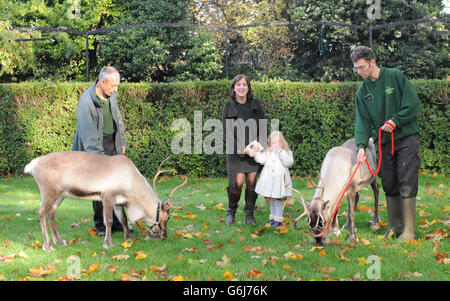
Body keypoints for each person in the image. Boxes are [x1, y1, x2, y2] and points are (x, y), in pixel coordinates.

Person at [351, 46, 420, 241]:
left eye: (362, 67)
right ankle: (395, 226)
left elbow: (412, 103)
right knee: (388, 181)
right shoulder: (363, 92)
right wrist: (361, 146)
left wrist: (395, 120)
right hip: (384, 143)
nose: (359, 72)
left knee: (406, 180)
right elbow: (362, 121)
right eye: (356, 68)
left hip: (406, 138)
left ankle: (408, 231)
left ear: (372, 62)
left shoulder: (394, 76)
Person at [72, 66, 130, 236]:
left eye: (117, 85)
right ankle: (102, 225)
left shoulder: (110, 95)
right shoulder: (86, 102)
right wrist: (102, 163)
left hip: (111, 142)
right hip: (94, 149)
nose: (116, 89)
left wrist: (121, 141)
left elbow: (117, 118)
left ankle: (119, 223)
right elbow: (89, 139)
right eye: (113, 85)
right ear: (102, 82)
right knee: (99, 187)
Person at [222, 75, 266, 225]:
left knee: (252, 184)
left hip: (254, 152)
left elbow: (263, 126)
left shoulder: (256, 104)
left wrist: (259, 144)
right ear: (234, 88)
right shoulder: (228, 107)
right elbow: (227, 133)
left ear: (248, 87)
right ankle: (231, 213)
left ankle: (249, 215)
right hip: (236, 153)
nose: (241, 87)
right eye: (238, 84)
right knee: (237, 184)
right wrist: (243, 149)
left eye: (244, 84)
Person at [250, 131, 294, 227]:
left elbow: (288, 162)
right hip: (270, 182)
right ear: (270, 144)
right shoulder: (268, 152)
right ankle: (273, 217)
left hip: (280, 183)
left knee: (278, 201)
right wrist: (256, 153)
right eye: (273, 143)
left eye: (279, 142)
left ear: (282, 142)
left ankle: (278, 219)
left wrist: (281, 153)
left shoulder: (286, 152)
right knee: (272, 201)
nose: (276, 145)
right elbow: (261, 159)